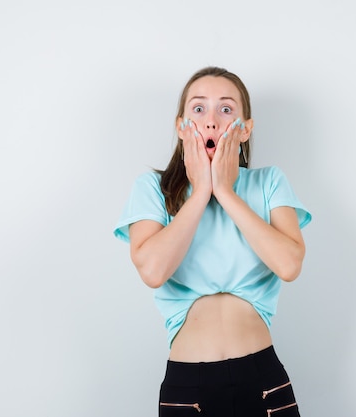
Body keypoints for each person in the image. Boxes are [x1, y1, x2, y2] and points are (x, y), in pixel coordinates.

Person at [114, 66, 311, 417]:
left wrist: (225, 190)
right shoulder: (152, 189)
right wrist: (201, 191)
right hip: (189, 388)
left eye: (226, 109)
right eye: (199, 108)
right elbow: (153, 271)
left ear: (245, 128)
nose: (211, 121)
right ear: (181, 125)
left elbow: (289, 264)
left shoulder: (269, 182)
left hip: (262, 380)